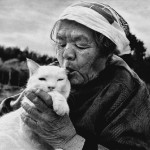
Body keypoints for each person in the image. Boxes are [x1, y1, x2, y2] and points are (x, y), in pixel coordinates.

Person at [0, 1, 150, 150]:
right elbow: (8, 110)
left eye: (81, 45)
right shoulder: (55, 73)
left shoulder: (128, 90)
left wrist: (70, 141)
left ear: (106, 51)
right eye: (61, 43)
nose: (66, 54)